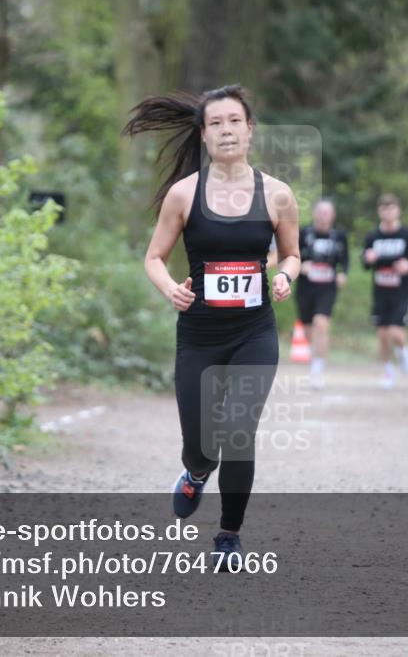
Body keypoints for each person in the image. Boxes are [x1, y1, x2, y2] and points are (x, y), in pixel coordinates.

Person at [125, 85, 300, 570]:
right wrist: (169, 290)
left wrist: (284, 275)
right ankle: (196, 471)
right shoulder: (184, 194)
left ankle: (229, 534)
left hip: (254, 333)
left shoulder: (278, 195)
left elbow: (292, 253)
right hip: (199, 334)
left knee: (240, 432)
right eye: (216, 123)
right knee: (201, 445)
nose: (226, 130)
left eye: (234, 121)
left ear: (250, 129)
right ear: (203, 135)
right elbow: (154, 258)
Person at [362, 193, 408, 389]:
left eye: (391, 208)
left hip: (402, 291)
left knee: (395, 332)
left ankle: (403, 351)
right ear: (379, 211)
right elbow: (364, 263)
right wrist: (368, 258)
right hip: (380, 291)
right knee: (382, 334)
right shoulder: (373, 236)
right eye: (384, 208)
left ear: (398, 210)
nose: (388, 212)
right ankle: (388, 372)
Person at [296, 198, 349, 388]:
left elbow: (345, 260)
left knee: (322, 323)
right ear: (314, 214)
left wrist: (343, 273)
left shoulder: (339, 236)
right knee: (308, 329)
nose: (323, 217)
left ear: (332, 216)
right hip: (306, 287)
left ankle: (318, 370)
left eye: (327, 213)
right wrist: (301, 266)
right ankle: (315, 359)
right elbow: (292, 256)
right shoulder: (304, 233)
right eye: (320, 212)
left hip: (327, 287)